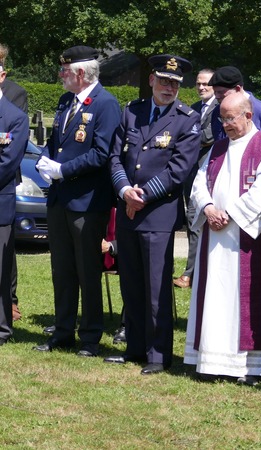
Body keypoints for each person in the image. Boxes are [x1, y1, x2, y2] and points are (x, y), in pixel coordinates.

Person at [105, 54, 201, 375]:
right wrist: (124, 192)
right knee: (130, 283)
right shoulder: (131, 112)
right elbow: (116, 157)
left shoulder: (187, 120)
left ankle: (158, 355)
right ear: (151, 81)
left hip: (157, 214)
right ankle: (133, 348)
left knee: (156, 287)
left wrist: (141, 196)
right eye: (163, 80)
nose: (168, 87)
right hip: (128, 210)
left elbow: (178, 171)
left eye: (174, 83)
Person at [184, 93, 261, 384]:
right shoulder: (216, 149)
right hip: (215, 241)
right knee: (216, 296)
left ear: (248, 116)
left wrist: (228, 214)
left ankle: (252, 366)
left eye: (230, 118)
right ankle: (213, 360)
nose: (226, 124)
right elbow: (199, 183)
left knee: (250, 298)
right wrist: (207, 208)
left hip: (252, 239)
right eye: (222, 118)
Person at [33, 46, 120, 357]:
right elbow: (54, 142)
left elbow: (102, 153)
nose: (61, 75)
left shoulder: (106, 104)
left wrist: (63, 170)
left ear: (81, 74)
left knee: (87, 271)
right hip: (59, 199)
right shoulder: (65, 101)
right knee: (62, 270)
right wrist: (45, 162)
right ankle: (63, 331)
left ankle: (91, 336)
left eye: (65, 71)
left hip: (86, 200)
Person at [174, 68, 218, 290]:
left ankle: (191, 273)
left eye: (206, 84)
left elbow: (208, 136)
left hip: (208, 175)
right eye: (198, 84)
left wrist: (183, 138)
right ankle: (193, 271)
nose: (201, 87)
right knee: (192, 222)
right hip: (190, 173)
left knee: (198, 220)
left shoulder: (220, 108)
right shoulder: (194, 109)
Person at [0, 43, 28, 323]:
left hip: (3, 182)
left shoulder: (15, 94)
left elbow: (10, 149)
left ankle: (10, 302)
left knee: (4, 253)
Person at [209, 66, 261, 140]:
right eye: (215, 92)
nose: (216, 96)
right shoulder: (217, 111)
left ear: (238, 89)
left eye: (220, 92)